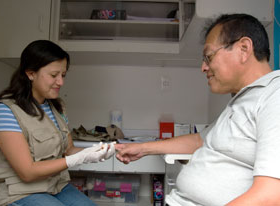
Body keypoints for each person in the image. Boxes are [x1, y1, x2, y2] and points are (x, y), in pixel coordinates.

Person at [115, 13, 280, 206]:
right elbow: (200, 140)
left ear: (244, 49)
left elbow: (271, 195)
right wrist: (143, 148)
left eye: (208, 57)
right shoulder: (243, 99)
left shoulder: (274, 96)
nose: (203, 67)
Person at [0, 40, 115, 206]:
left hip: (55, 186)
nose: (61, 82)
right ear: (30, 73)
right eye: (54, 75)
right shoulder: (5, 112)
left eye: (63, 75)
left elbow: (69, 150)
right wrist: (79, 159)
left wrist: (98, 151)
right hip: (19, 192)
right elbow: (27, 172)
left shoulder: (57, 107)